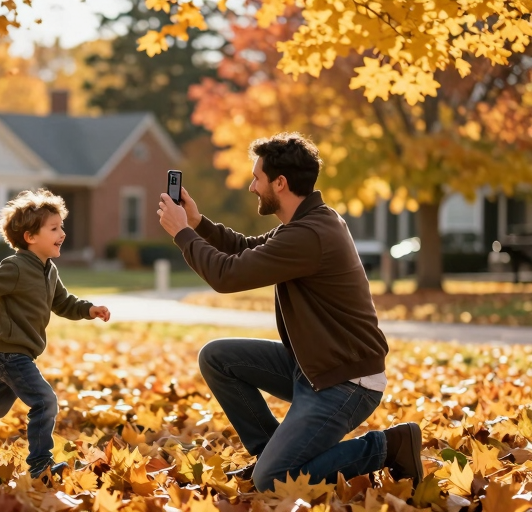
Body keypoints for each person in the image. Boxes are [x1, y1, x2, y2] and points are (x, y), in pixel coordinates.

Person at [156, 133, 423, 492]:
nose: (252, 186)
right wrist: (198, 222)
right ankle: (270, 453)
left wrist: (182, 233)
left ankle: (389, 446)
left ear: (280, 183)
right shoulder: (306, 223)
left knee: (275, 481)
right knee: (217, 358)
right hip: (315, 367)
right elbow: (244, 249)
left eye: (257, 178)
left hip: (345, 382)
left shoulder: (310, 234)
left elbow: (227, 275)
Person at [0, 189, 111, 480]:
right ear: (30, 237)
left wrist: (89, 310)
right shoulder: (15, 268)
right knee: (44, 401)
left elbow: (62, 303)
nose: (62, 232)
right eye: (54, 228)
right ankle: (41, 465)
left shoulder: (49, 270)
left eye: (61, 226)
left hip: (19, 353)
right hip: (7, 353)